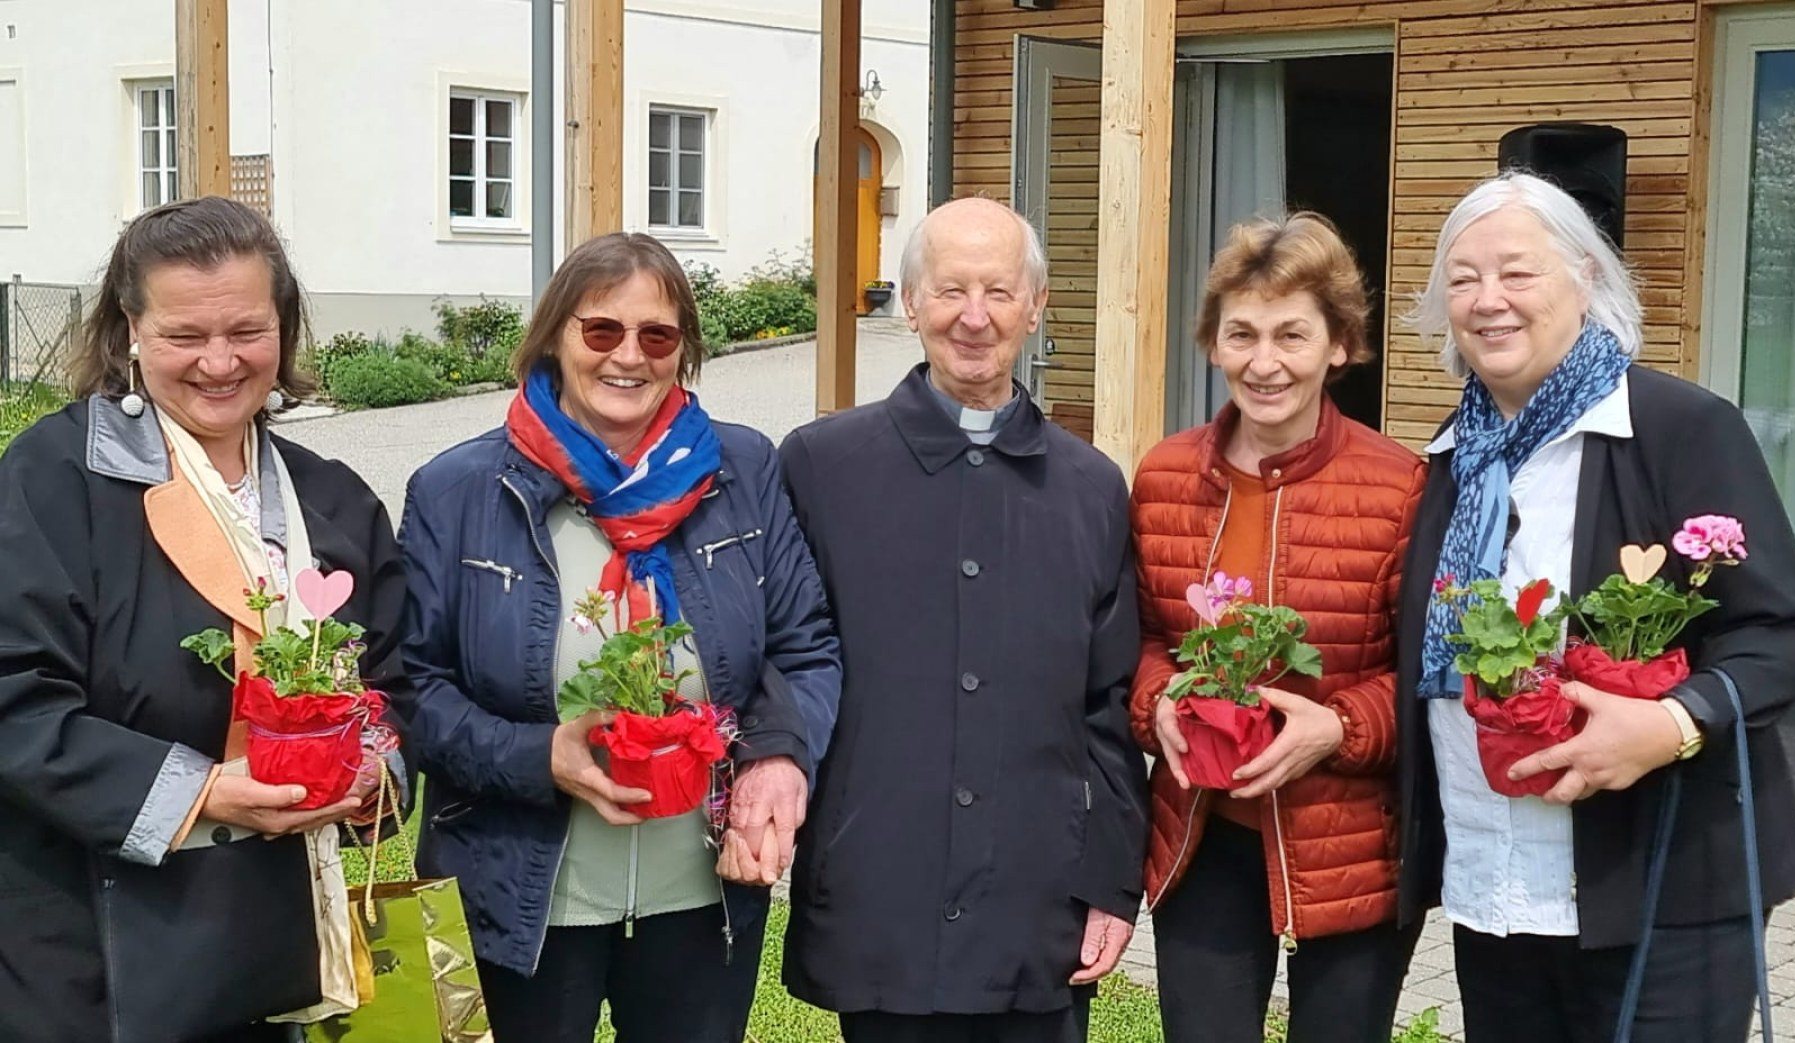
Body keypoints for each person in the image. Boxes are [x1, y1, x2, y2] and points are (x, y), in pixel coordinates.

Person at [397, 231, 841, 1043]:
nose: (627, 356)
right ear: (556, 336)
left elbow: (804, 644)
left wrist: (779, 755)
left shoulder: (741, 472)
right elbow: (414, 689)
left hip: (702, 893)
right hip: (521, 895)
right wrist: (539, 757)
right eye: (601, 330)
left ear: (684, 351)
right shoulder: (456, 490)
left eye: (657, 335)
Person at [1395, 171, 1795, 1042]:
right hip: (1494, 890)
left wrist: (1673, 723)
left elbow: (1779, 630)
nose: (1487, 300)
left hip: (1661, 883)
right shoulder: (1453, 457)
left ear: (1586, 279)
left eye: (1517, 273)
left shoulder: (1678, 428)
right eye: (1462, 279)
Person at [0, 196, 408, 1042]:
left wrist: (370, 774)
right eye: (185, 336)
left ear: (283, 328)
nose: (219, 362)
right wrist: (205, 792)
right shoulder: (51, 480)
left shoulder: (330, 497)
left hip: (278, 942)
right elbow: (16, 701)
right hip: (90, 955)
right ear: (130, 330)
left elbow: (395, 681)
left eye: (246, 330)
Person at [778, 196, 1147, 1043]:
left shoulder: (1090, 487)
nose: (973, 317)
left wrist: (1110, 883)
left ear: (1035, 305)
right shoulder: (822, 467)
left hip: (1036, 901)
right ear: (910, 304)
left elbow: (1111, 704)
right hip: (882, 891)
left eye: (999, 291)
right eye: (949, 291)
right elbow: (786, 658)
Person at [1129, 213, 1427, 1042]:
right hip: (1201, 834)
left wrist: (1335, 726)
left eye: (1293, 334)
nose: (1265, 362)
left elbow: (1430, 674)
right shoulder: (1163, 477)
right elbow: (1143, 639)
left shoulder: (1400, 485)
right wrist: (1157, 702)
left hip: (1352, 842)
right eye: (1242, 334)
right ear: (1214, 344)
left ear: (1339, 345)